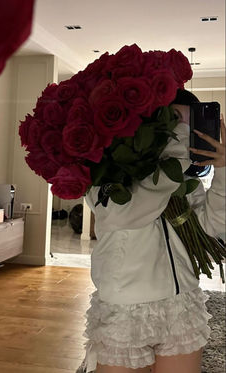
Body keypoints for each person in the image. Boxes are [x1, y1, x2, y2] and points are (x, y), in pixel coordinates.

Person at [78, 89, 225, 373]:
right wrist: (180, 152)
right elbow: (126, 214)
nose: (181, 129)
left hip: (181, 304)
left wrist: (225, 170)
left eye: (188, 123)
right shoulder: (105, 173)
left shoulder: (184, 180)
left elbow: (214, 226)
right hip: (124, 310)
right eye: (173, 119)